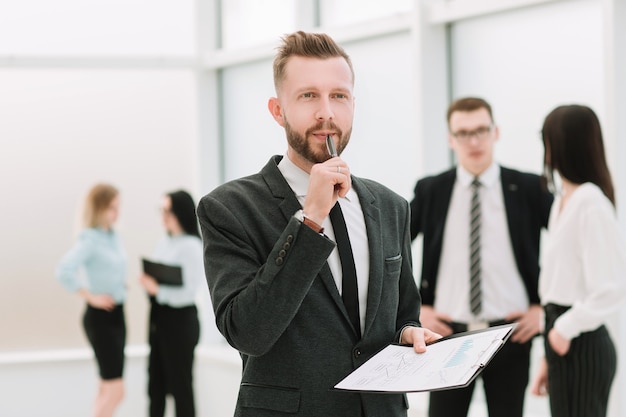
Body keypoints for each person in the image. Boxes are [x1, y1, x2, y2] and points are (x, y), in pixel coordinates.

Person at [196, 31, 440, 417]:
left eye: (338, 96)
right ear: (278, 110)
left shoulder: (392, 206)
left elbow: (402, 315)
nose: (326, 111)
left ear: (353, 106)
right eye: (308, 95)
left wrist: (407, 333)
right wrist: (309, 220)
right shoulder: (229, 209)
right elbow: (248, 332)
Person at [409, 97, 554, 417]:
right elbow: (389, 249)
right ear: (450, 139)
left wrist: (545, 309)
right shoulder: (432, 190)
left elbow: (569, 249)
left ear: (495, 132)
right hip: (446, 338)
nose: (473, 141)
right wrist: (414, 309)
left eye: (480, 131)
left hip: (511, 335)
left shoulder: (529, 187)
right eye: (463, 133)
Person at [530, 104, 626, 417]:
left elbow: (610, 289)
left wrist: (563, 330)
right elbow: (558, 284)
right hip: (562, 339)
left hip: (581, 342)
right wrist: (548, 353)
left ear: (562, 144)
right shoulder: (563, 200)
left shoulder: (590, 202)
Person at [56, 183, 127, 417]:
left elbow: (109, 268)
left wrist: (117, 284)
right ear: (98, 209)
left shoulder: (112, 236)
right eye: (112, 208)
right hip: (101, 319)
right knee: (116, 391)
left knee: (106, 388)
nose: (117, 213)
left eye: (118, 207)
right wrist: (91, 297)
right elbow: (64, 271)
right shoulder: (90, 239)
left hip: (117, 314)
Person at [140, 190, 203, 417]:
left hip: (180, 323)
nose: (164, 216)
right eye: (162, 210)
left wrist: (157, 290)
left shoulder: (192, 247)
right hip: (160, 320)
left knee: (181, 388)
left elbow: (188, 292)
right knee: (155, 386)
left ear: (180, 212)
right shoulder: (166, 242)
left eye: (168, 211)